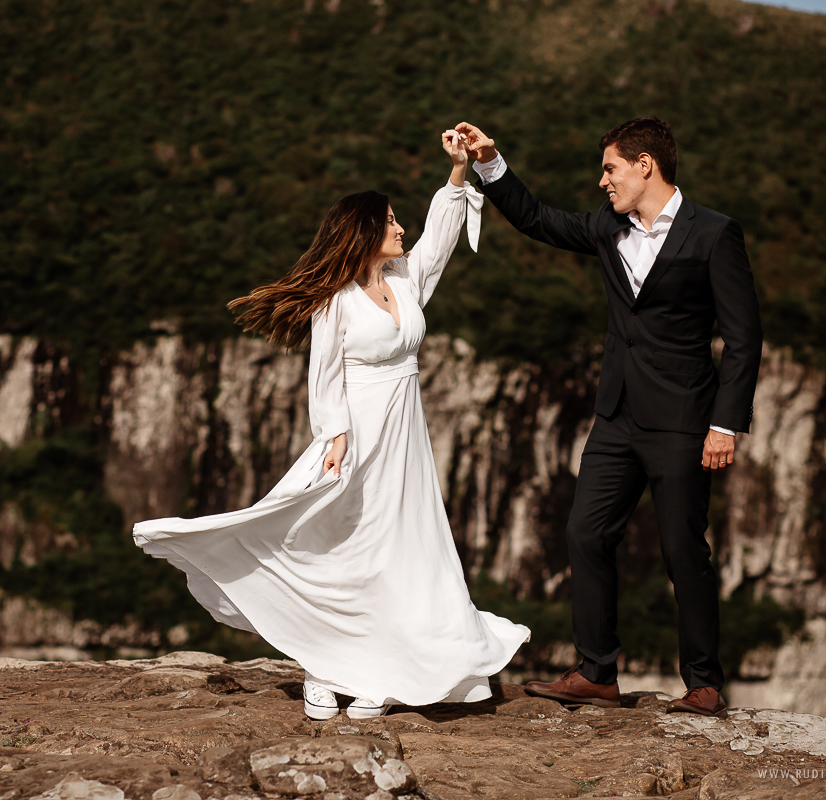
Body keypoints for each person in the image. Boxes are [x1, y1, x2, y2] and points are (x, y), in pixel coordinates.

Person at [133, 130, 531, 720]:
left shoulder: (403, 280)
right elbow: (323, 374)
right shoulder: (336, 300)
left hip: (406, 438)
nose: (400, 229)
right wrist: (335, 437)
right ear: (366, 234)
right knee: (339, 544)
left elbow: (440, 244)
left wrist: (457, 174)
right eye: (392, 222)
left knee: (400, 550)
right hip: (359, 434)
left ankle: (380, 673)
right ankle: (323, 666)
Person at [455, 118, 762, 716]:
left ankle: (702, 683)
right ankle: (597, 671)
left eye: (610, 169)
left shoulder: (716, 234)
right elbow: (537, 218)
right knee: (585, 533)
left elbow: (744, 338)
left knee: (681, 549)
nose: (602, 182)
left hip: (683, 420)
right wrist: (491, 162)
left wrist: (725, 424)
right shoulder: (606, 228)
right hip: (616, 416)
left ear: (645, 165)